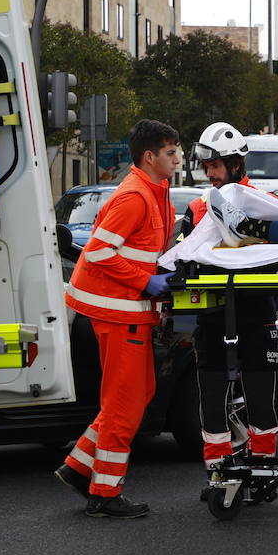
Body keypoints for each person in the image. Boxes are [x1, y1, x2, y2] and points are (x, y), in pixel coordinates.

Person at [55, 119, 182, 519]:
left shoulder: (154, 193)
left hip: (126, 311)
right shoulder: (134, 197)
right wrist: (148, 282)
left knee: (137, 394)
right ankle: (104, 494)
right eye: (171, 152)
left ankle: (78, 468)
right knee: (125, 406)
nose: (178, 159)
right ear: (150, 157)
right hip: (118, 312)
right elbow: (97, 253)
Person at [174, 122, 278, 469]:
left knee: (260, 393)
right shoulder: (197, 208)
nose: (210, 175)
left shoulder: (265, 204)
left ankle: (263, 462)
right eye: (206, 168)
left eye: (215, 167)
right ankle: (218, 466)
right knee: (211, 390)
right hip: (212, 312)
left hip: (255, 310)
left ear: (236, 164)